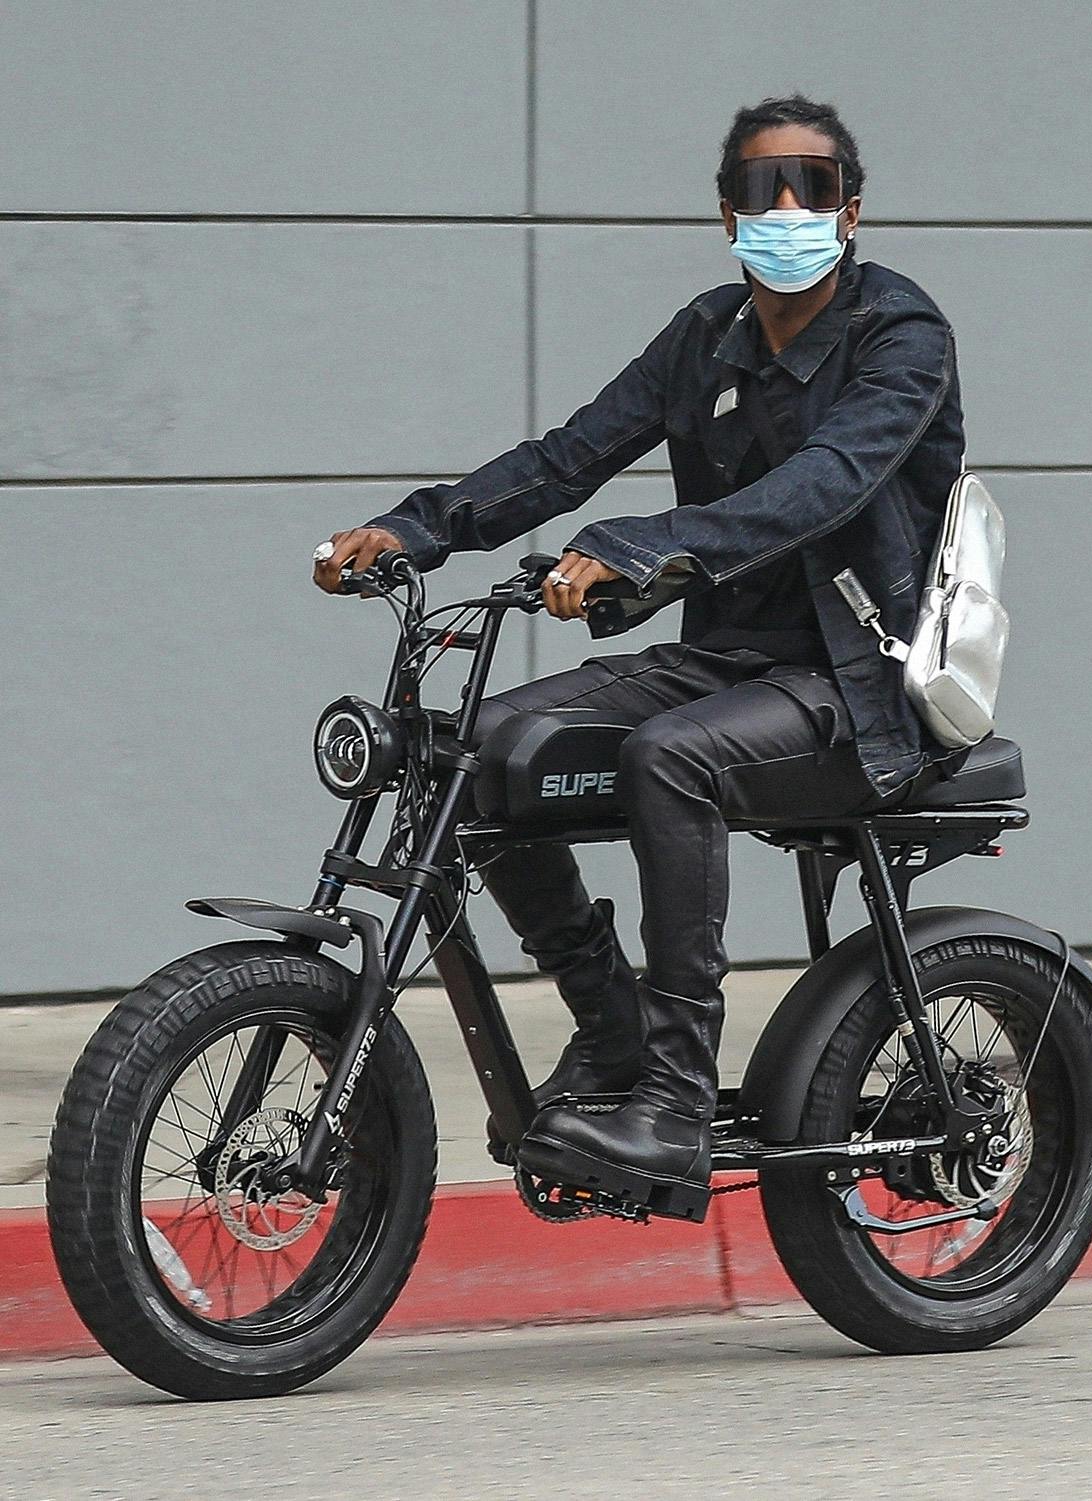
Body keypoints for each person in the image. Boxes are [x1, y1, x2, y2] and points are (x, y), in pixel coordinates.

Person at [313, 94, 966, 1207]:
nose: (789, 207)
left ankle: (671, 1098)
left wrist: (646, 544)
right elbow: (567, 457)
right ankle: (610, 1024)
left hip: (855, 682)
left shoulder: (900, 335)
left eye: (813, 186)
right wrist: (417, 529)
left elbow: (827, 484)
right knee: (483, 746)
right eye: (762, 188)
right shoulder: (704, 335)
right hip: (727, 662)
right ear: (728, 215)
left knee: (671, 757)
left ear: (852, 210)